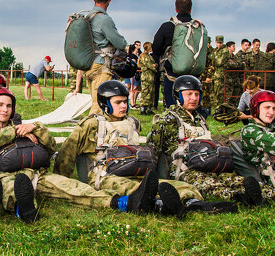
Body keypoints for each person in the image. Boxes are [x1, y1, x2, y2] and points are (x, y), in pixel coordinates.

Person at [0, 87, 149, 221]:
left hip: (38, 175)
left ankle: (120, 202)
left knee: (74, 188)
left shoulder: (25, 128)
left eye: (8, 105)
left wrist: (37, 129)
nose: (5, 109)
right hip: (4, 176)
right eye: (0, 105)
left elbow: (51, 147)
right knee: (11, 190)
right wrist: (13, 133)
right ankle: (25, 209)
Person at [55, 80, 233, 216]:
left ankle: (192, 201)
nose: (124, 106)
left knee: (178, 185)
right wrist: (63, 180)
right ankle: (160, 205)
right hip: (107, 176)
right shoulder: (92, 125)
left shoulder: (133, 123)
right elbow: (67, 152)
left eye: (125, 101)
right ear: (105, 104)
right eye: (118, 102)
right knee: (131, 188)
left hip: (136, 171)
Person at [145, 75, 272, 207]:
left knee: (237, 180)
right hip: (185, 169)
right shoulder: (167, 120)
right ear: (179, 96)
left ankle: (274, 194)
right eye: (189, 94)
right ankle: (241, 197)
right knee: (211, 186)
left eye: (196, 94)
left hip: (209, 164)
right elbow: (153, 151)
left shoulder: (200, 119)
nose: (194, 98)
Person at [77, 0, 128, 113]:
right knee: (99, 106)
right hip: (101, 65)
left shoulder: (87, 17)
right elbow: (119, 43)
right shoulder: (104, 20)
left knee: (95, 100)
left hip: (88, 64)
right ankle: (91, 131)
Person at [151, 0, 206, 111]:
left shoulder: (168, 26)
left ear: (175, 9)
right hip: (195, 76)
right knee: (195, 108)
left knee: (172, 108)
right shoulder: (198, 27)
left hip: (173, 75)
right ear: (191, 9)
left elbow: (156, 48)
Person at [137, 42, 158, 115]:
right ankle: (143, 108)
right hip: (146, 77)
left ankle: (149, 108)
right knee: (145, 93)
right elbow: (150, 66)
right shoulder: (144, 56)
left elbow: (155, 64)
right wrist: (154, 67)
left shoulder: (149, 56)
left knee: (151, 93)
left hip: (151, 77)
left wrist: (155, 65)